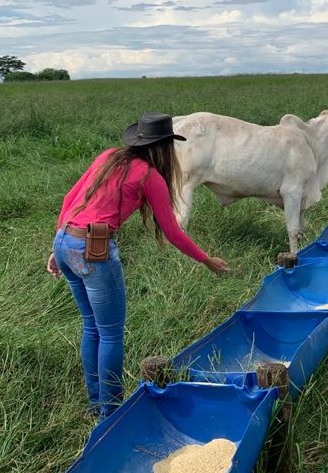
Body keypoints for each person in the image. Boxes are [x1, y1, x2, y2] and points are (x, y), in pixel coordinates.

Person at [46, 112, 229, 422]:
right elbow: (172, 232)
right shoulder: (149, 176)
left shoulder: (108, 157)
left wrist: (56, 248)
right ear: (163, 147)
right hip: (94, 248)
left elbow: (69, 198)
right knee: (111, 334)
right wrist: (206, 259)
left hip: (65, 240)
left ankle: (96, 403)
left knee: (91, 326)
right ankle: (111, 413)